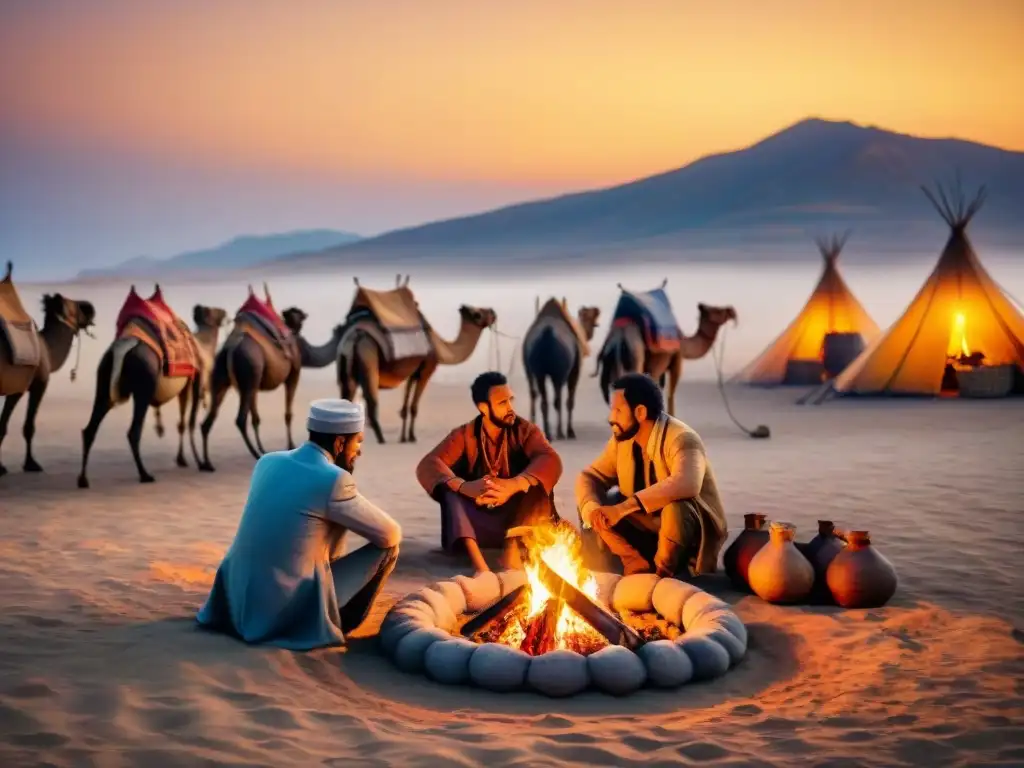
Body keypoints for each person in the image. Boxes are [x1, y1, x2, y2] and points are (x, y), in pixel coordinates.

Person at [196, 398, 401, 650]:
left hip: (233, 602)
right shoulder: (334, 480)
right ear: (339, 443)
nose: (359, 451)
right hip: (280, 609)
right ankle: (337, 624)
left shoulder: (267, 461)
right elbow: (391, 534)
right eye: (357, 441)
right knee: (389, 549)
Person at [575, 373, 727, 578]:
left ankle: (663, 574)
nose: (611, 418)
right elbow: (590, 476)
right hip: (643, 529)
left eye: (618, 411)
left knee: (676, 507)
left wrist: (621, 509)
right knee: (594, 504)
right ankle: (625, 563)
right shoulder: (622, 441)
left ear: (640, 412)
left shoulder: (683, 439)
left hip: (684, 536)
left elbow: (687, 484)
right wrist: (592, 509)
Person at [416, 371, 563, 573]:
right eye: (502, 403)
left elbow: (551, 459)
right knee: (450, 490)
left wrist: (514, 485)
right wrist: (465, 487)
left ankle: (511, 554)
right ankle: (480, 568)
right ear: (483, 407)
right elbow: (429, 464)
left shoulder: (525, 430)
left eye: (510, 400)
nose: (510, 408)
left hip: (518, 518)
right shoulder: (464, 434)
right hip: (478, 520)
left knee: (537, 485)